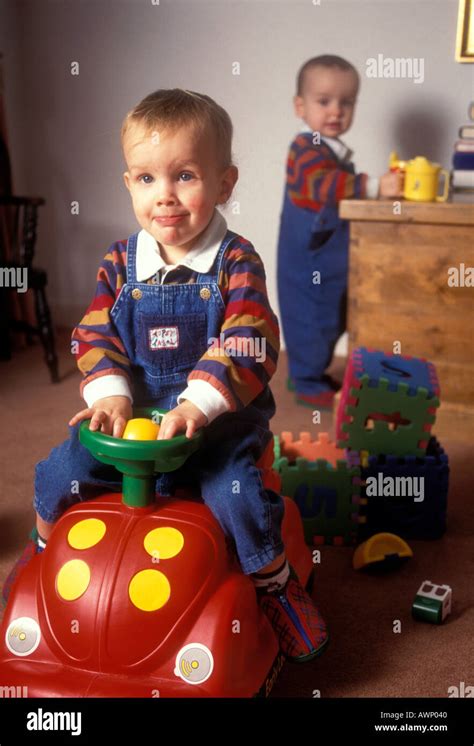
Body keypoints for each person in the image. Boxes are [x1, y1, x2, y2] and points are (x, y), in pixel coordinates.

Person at [3, 89, 327, 663]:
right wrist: (111, 396)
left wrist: (198, 406)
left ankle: (274, 583)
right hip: (131, 426)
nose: (167, 197)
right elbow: (94, 333)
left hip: (216, 425)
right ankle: (41, 554)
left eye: (185, 175)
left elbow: (250, 338)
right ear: (128, 185)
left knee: (235, 497)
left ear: (224, 184)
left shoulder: (236, 261)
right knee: (59, 471)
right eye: (147, 179)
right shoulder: (118, 263)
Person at [277, 55, 403, 408]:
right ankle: (305, 379)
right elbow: (325, 186)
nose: (336, 111)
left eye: (346, 103)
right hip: (308, 258)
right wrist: (377, 187)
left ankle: (314, 372)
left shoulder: (336, 154)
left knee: (332, 317)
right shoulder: (304, 150)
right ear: (300, 106)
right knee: (310, 317)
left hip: (329, 256)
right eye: (324, 101)